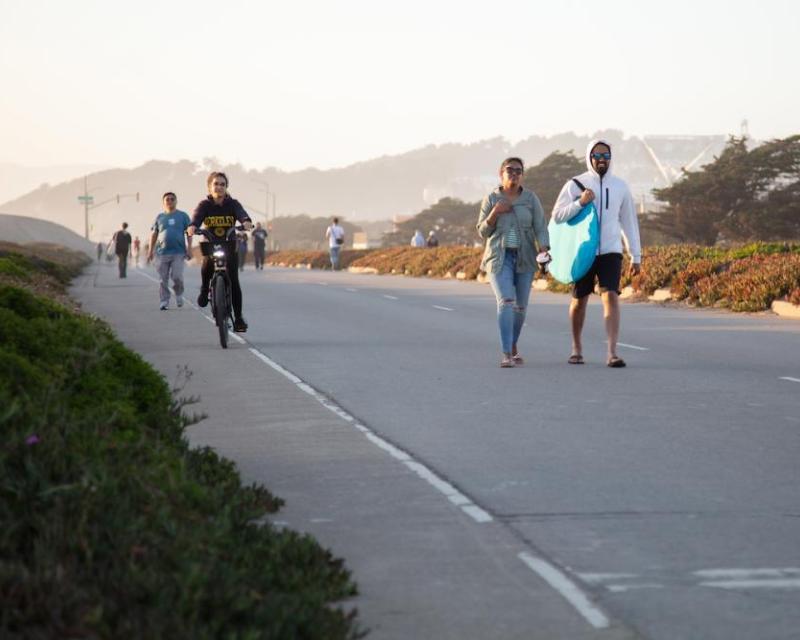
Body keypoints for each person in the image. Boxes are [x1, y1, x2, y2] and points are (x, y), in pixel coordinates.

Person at [551, 138, 642, 368]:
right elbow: (557, 216)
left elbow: (629, 222)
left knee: (610, 295)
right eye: (597, 156)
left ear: (610, 158)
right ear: (589, 157)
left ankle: (612, 352)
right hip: (583, 251)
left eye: (605, 156)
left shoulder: (620, 186)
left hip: (611, 250)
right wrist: (580, 203)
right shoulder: (575, 184)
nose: (601, 160)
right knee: (579, 300)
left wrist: (636, 255)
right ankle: (576, 348)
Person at [477, 157, 549, 368]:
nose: (514, 174)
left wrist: (544, 247)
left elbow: (540, 226)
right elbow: (482, 231)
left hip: (525, 256)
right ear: (501, 173)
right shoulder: (491, 198)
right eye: (510, 170)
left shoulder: (530, 198)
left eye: (519, 171)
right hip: (499, 258)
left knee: (520, 307)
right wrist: (494, 213)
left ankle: (513, 344)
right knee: (506, 302)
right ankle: (506, 353)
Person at [187, 171, 253, 332]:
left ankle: (238, 318)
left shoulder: (233, 204)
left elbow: (242, 215)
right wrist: (192, 227)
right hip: (211, 243)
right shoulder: (205, 205)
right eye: (216, 184)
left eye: (222, 184)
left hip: (229, 244)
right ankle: (204, 289)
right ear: (210, 187)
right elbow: (196, 218)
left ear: (226, 187)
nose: (219, 187)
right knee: (207, 264)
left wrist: (246, 222)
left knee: (234, 281)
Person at [147, 192, 193, 310]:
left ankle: (178, 294)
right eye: (167, 199)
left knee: (177, 276)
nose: (170, 201)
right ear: (164, 202)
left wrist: (189, 248)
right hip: (162, 253)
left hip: (178, 252)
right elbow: (154, 234)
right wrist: (150, 251)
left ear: (176, 201)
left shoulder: (183, 216)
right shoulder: (160, 217)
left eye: (172, 199)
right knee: (163, 279)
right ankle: (164, 301)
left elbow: (189, 232)